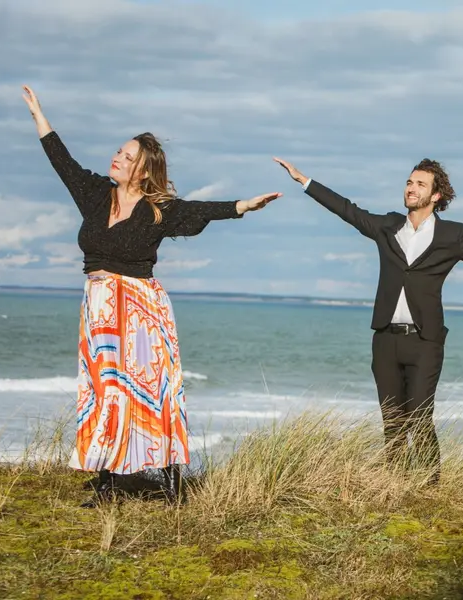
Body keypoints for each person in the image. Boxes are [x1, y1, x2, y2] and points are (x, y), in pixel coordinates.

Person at [21, 85, 281, 507]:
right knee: (105, 391)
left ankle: (172, 482)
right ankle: (107, 485)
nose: (117, 159)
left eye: (127, 156)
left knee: (153, 392)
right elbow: (62, 162)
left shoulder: (159, 209)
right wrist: (38, 115)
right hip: (100, 310)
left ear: (143, 170)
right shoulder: (94, 194)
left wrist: (243, 205)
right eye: (118, 152)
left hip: (142, 311)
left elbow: (200, 210)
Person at [273, 156, 463, 484]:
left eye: (420, 184)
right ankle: (396, 485)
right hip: (385, 338)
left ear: (436, 196)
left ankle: (431, 485)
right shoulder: (387, 226)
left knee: (419, 418)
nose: (411, 188)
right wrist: (304, 180)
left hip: (425, 341)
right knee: (392, 420)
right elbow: (347, 210)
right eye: (408, 182)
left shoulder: (452, 235)